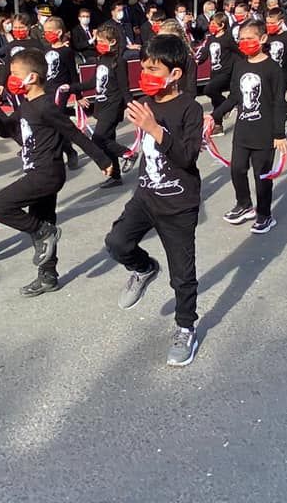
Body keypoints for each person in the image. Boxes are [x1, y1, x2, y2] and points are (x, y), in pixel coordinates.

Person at [0, 49, 114, 296]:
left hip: (46, 173)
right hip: (37, 171)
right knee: (43, 219)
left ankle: (44, 233)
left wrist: (102, 159)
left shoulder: (47, 106)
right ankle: (48, 276)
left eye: (16, 74)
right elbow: (8, 130)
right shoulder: (27, 105)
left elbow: (73, 133)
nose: (11, 79)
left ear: (33, 77)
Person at [105, 34, 204, 366]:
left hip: (178, 203)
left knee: (182, 274)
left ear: (174, 74)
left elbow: (189, 156)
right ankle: (144, 269)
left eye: (154, 69)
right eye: (143, 67)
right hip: (146, 195)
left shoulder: (190, 107)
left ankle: (186, 327)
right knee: (117, 242)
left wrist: (155, 129)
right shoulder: (145, 102)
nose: (145, 74)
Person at [210, 19, 287, 234]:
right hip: (243, 130)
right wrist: (215, 115)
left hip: (264, 133)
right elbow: (235, 95)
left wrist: (279, 134)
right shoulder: (240, 64)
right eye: (241, 39)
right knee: (237, 169)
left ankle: (265, 215)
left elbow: (279, 102)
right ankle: (244, 204)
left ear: (262, 39)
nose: (245, 43)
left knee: (261, 176)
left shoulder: (273, 68)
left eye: (250, 39)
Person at [69, 22, 134, 189]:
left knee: (98, 138)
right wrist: (71, 87)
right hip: (101, 105)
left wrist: (131, 106)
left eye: (101, 41)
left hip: (113, 106)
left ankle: (127, 153)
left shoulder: (118, 61)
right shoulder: (101, 59)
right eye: (97, 41)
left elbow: (124, 88)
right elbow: (92, 82)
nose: (98, 44)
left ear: (112, 41)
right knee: (108, 139)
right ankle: (115, 176)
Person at [41, 15, 80, 169]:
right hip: (47, 90)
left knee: (56, 123)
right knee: (49, 124)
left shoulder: (66, 51)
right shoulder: (45, 50)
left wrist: (78, 94)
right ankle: (64, 149)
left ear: (58, 32)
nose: (46, 34)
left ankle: (68, 152)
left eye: (49, 31)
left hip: (61, 92)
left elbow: (73, 74)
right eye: (45, 31)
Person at [195, 12, 239, 135]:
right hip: (214, 71)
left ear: (222, 25)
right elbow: (204, 52)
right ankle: (218, 126)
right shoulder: (211, 38)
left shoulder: (228, 38)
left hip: (226, 72)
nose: (211, 26)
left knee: (208, 89)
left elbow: (239, 52)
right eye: (210, 23)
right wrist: (197, 60)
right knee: (215, 99)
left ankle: (227, 104)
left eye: (214, 24)